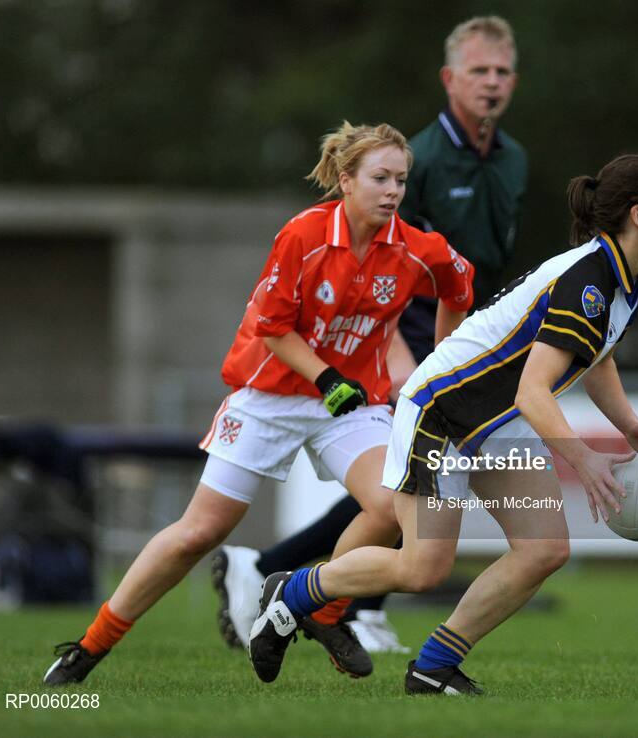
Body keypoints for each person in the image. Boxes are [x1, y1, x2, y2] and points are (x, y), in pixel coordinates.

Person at [42, 121, 474, 686]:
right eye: (379, 178)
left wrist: (437, 368)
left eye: (400, 179)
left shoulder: (416, 249)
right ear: (346, 180)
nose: (393, 190)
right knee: (198, 533)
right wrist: (324, 378)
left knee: (392, 507)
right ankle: (90, 646)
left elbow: (459, 289)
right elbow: (272, 328)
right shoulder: (305, 234)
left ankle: (323, 611)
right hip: (270, 398)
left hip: (347, 405)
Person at [244, 153, 638, 695]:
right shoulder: (589, 279)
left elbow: (595, 356)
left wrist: (630, 424)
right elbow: (534, 391)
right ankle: (291, 593)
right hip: (442, 412)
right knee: (422, 568)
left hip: (496, 424)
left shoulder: (628, 282)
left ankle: (433, 668)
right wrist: (584, 457)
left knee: (544, 549)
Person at [212, 15, 526, 654]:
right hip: (406, 337)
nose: (491, 83)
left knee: (406, 484)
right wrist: (414, 363)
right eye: (478, 71)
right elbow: (372, 274)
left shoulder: (514, 159)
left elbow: (475, 271)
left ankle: (276, 570)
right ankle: (346, 602)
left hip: (465, 332)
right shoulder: (416, 160)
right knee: (406, 481)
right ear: (450, 79)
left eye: (501, 72)